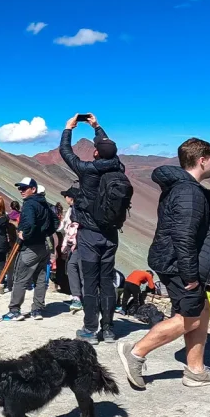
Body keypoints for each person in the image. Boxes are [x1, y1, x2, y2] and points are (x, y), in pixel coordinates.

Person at [118, 138, 210, 388]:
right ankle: (136, 352)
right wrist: (191, 274)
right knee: (189, 318)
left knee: (200, 309)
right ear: (201, 160)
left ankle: (196, 370)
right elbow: (184, 235)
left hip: (174, 261)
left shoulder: (182, 188)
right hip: (179, 265)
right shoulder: (189, 192)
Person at [60, 112, 125, 344]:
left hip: (89, 236)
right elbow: (110, 150)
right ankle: (108, 329)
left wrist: (69, 129)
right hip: (111, 235)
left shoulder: (88, 170)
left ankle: (90, 329)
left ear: (96, 152)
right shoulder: (119, 168)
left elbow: (65, 153)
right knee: (107, 281)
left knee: (90, 281)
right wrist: (98, 127)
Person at [3, 178, 54, 321]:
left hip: (29, 247)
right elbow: (55, 221)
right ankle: (37, 310)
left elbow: (30, 224)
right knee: (40, 279)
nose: (21, 191)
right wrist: (45, 233)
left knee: (20, 279)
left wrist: (24, 234)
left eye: (24, 188)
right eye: (20, 188)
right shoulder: (45, 203)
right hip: (43, 246)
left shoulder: (29, 204)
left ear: (33, 189)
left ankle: (14, 310)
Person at [58, 188, 83, 311]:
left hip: (78, 244)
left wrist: (67, 245)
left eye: (66, 196)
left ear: (71, 198)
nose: (65, 198)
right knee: (73, 267)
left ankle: (81, 298)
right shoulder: (73, 209)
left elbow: (71, 229)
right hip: (77, 244)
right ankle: (77, 297)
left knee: (76, 268)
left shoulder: (76, 210)